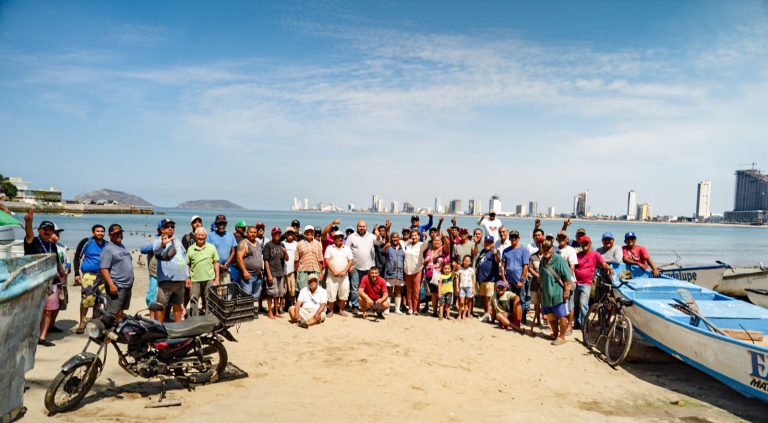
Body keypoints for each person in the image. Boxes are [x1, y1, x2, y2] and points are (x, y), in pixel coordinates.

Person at [23, 210, 63, 346]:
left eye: (50, 229)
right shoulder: (32, 241)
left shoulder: (53, 246)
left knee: (48, 311)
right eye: (44, 229)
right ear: (39, 230)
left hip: (51, 283)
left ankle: (43, 337)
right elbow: (28, 234)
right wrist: (28, 223)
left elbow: (56, 262)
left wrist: (61, 272)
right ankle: (29, 336)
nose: (47, 231)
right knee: (33, 311)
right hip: (33, 282)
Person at [73, 224, 108, 334]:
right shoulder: (86, 242)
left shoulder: (107, 244)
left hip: (103, 275)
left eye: (102, 231)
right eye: (98, 231)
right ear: (93, 232)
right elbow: (77, 256)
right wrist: (76, 273)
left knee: (98, 301)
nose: (100, 233)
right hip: (89, 275)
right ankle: (82, 323)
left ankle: (94, 322)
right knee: (86, 300)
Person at [573, 236, 615, 329]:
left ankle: (584, 324)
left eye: (586, 243)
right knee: (576, 304)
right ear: (580, 244)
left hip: (586, 283)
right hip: (576, 282)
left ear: (590, 244)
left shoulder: (595, 255)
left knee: (583, 303)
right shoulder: (577, 255)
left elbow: (603, 264)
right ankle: (577, 322)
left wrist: (610, 269)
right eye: (583, 243)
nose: (584, 245)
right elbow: (572, 266)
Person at [153, 219, 189, 323]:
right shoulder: (158, 241)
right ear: (161, 229)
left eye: (172, 226)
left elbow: (184, 258)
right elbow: (156, 250)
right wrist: (163, 244)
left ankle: (178, 327)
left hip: (180, 280)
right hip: (165, 281)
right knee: (161, 306)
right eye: (167, 226)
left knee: (178, 305)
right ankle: (159, 328)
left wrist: (187, 276)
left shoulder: (177, 241)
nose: (170, 228)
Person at [539, 240, 573, 346]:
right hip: (546, 294)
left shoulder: (560, 260)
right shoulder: (542, 260)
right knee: (550, 316)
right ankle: (554, 333)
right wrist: (540, 290)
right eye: (544, 248)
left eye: (548, 248)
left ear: (552, 248)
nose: (546, 250)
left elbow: (567, 278)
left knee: (562, 315)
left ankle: (562, 337)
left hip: (558, 293)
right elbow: (541, 276)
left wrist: (566, 291)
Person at [100, 224, 134, 322]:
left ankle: (117, 332)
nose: (118, 235)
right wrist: (111, 285)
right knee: (112, 312)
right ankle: (107, 334)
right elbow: (104, 269)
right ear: (110, 236)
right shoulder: (108, 249)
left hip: (127, 285)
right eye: (115, 234)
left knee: (121, 310)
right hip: (117, 285)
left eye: (120, 233)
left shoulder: (122, 246)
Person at [185, 227, 220, 316]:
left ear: (206, 236)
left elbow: (216, 263)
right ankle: (194, 319)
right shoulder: (190, 249)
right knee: (194, 299)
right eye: (199, 235)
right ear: (195, 236)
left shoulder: (212, 247)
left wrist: (217, 279)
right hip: (195, 279)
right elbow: (187, 265)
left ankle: (208, 318)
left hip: (209, 278)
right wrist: (188, 278)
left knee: (210, 299)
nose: (201, 237)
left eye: (203, 235)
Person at [346, 220, 376, 311]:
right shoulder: (351, 237)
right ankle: (355, 306)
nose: (362, 228)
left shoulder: (371, 236)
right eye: (360, 226)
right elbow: (346, 251)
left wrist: (378, 235)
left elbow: (379, 242)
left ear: (366, 227)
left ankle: (368, 305)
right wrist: (349, 266)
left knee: (369, 288)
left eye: (363, 226)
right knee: (355, 289)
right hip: (355, 267)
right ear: (357, 227)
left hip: (369, 268)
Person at [500, 230, 530, 322]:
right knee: (510, 299)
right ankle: (512, 317)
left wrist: (521, 280)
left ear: (518, 238)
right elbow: (503, 267)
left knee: (521, 299)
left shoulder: (524, 250)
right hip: (509, 281)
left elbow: (525, 267)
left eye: (515, 237)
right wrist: (504, 280)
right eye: (512, 237)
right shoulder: (506, 251)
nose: (513, 239)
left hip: (519, 280)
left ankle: (522, 318)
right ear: (509, 238)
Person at [324, 231, 354, 317]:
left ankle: (341, 310)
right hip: (332, 276)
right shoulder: (330, 248)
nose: (340, 238)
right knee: (331, 293)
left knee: (344, 293)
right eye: (337, 237)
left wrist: (344, 271)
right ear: (334, 239)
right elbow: (327, 260)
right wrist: (334, 271)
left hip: (344, 276)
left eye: (341, 237)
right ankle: (330, 311)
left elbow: (350, 261)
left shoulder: (347, 248)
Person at [263, 228, 289, 319]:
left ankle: (276, 311)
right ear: (272, 234)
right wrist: (269, 275)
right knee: (271, 293)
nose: (277, 235)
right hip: (272, 273)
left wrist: (285, 252)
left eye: (279, 233)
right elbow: (266, 261)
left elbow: (286, 259)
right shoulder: (268, 245)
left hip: (280, 273)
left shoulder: (282, 245)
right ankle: (270, 312)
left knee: (279, 293)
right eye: (275, 233)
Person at [556, 230, 578, 334]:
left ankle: (570, 325)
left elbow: (572, 267)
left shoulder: (571, 250)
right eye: (559, 237)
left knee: (569, 304)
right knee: (560, 303)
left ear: (567, 240)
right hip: (557, 282)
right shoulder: (555, 250)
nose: (561, 239)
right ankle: (562, 323)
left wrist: (565, 280)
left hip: (569, 281)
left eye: (563, 238)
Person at [237, 226, 265, 309]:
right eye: (251, 232)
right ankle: (243, 310)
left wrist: (260, 270)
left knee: (256, 294)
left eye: (254, 232)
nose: (253, 234)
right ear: (247, 233)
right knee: (246, 293)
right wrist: (245, 271)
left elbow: (259, 257)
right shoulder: (244, 243)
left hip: (258, 274)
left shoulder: (258, 244)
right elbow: (239, 258)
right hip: (248, 274)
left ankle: (249, 309)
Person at [207, 214, 238, 284]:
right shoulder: (210, 236)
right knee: (215, 291)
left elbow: (233, 251)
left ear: (226, 224)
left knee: (226, 291)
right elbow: (208, 253)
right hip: (213, 269)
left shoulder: (230, 235)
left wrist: (226, 265)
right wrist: (219, 266)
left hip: (226, 269)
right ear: (216, 224)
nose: (221, 226)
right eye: (219, 224)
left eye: (223, 223)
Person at [403, 229, 427, 316]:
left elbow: (426, 244)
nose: (414, 237)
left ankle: (416, 309)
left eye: (415, 235)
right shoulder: (408, 244)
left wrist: (426, 236)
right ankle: (410, 308)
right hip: (407, 270)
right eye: (412, 235)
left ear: (419, 236)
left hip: (417, 270)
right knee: (409, 291)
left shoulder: (421, 245)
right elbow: (401, 241)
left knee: (416, 291)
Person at [295, 225, 324, 297]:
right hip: (303, 271)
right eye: (307, 231)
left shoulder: (318, 244)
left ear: (314, 232)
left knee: (315, 291)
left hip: (315, 270)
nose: (309, 233)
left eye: (311, 231)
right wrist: (297, 272)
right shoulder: (299, 243)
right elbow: (296, 260)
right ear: (305, 233)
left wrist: (320, 273)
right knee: (303, 291)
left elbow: (320, 260)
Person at [476, 236, 500, 322]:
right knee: (485, 298)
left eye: (490, 242)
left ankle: (489, 315)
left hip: (491, 279)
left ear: (493, 243)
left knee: (489, 298)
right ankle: (487, 313)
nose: (488, 244)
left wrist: (495, 253)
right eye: (486, 242)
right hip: (482, 279)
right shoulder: (482, 251)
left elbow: (498, 261)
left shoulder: (495, 251)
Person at [381, 231, 405, 315]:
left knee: (398, 292)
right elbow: (382, 252)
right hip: (390, 273)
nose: (395, 239)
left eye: (396, 237)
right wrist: (385, 247)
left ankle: (397, 309)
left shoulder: (403, 248)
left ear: (399, 238)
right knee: (389, 291)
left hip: (400, 273)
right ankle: (387, 308)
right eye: (393, 237)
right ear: (391, 239)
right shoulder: (388, 247)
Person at [424, 236, 449, 316]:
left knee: (442, 293)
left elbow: (448, 247)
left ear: (441, 242)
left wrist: (445, 238)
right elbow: (425, 261)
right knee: (434, 294)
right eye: (435, 240)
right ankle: (435, 312)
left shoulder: (443, 249)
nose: (436, 242)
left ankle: (443, 312)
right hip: (430, 275)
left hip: (440, 275)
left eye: (438, 240)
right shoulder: (429, 251)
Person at [282, 227, 299, 309]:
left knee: (293, 290)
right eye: (288, 233)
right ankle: (285, 305)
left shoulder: (297, 244)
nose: (290, 235)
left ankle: (292, 305)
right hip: (283, 270)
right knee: (284, 290)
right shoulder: (282, 243)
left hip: (292, 270)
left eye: (291, 233)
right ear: (285, 235)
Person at [456, 255, 475, 320]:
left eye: (468, 261)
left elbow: (473, 279)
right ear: (463, 261)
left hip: (469, 287)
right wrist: (457, 287)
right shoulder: (460, 269)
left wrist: (474, 288)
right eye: (465, 260)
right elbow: (457, 279)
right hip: (462, 287)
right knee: (461, 302)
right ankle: (459, 315)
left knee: (467, 302)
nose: (466, 262)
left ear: (470, 262)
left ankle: (464, 315)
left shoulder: (471, 270)